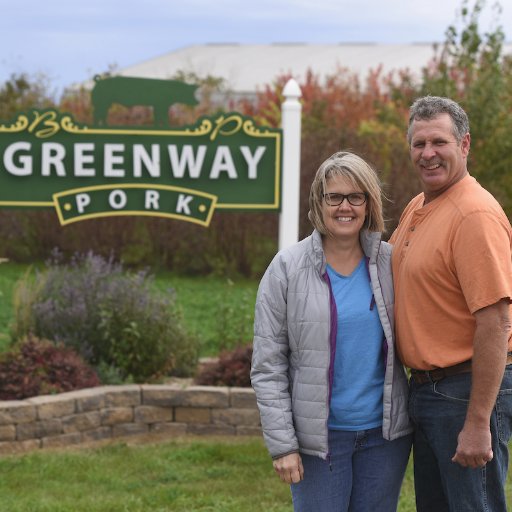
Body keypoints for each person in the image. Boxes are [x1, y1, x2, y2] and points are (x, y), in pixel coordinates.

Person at [251, 151, 413, 512]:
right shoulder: (287, 268)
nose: (345, 206)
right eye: (334, 196)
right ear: (318, 202)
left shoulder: (391, 263)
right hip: (319, 442)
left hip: (384, 439)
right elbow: (268, 365)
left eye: (356, 197)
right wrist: (283, 445)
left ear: (368, 204)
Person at [389, 95, 512, 511]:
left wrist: (479, 422)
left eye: (439, 142)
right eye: (419, 144)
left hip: (465, 391)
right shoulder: (419, 206)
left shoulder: (473, 215)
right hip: (427, 390)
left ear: (464, 145)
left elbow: (496, 321)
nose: (428, 154)